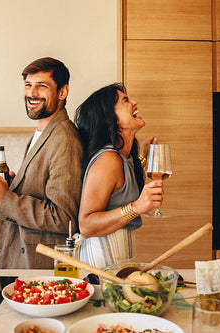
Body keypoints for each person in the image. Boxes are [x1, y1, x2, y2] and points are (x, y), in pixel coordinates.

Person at [0, 57, 83, 269]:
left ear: (63, 92)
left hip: (41, 268)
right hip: (24, 260)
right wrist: (13, 187)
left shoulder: (64, 139)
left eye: (42, 86)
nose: (32, 93)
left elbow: (63, 218)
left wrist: (6, 199)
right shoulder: (43, 132)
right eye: (28, 85)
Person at [74, 83, 163, 268]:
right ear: (109, 119)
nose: (134, 102)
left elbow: (122, 187)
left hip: (117, 263)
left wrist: (142, 159)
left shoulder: (123, 157)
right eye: (125, 100)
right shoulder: (108, 159)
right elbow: (86, 225)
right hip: (99, 267)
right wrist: (137, 207)